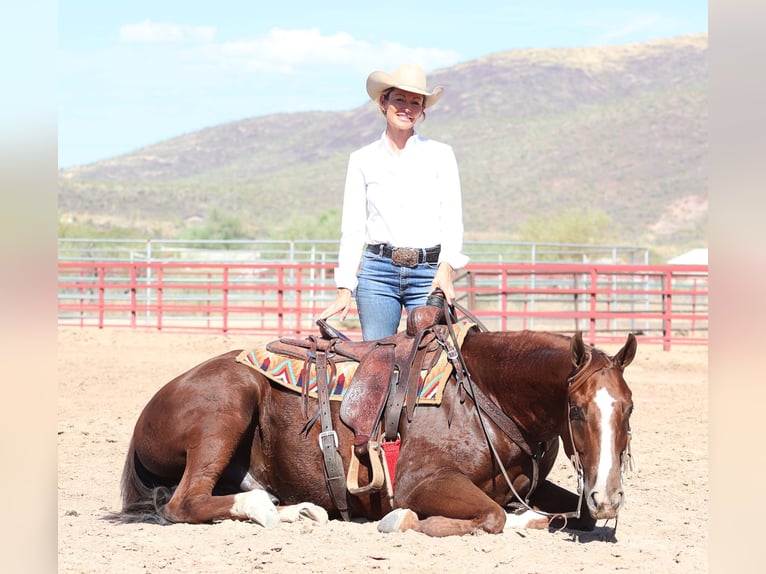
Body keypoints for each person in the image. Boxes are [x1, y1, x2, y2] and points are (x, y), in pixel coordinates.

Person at [319, 63, 469, 340]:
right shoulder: (362, 159)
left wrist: (446, 269)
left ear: (423, 109)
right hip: (377, 273)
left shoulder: (440, 155)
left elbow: (452, 217)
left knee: (435, 361)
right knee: (376, 360)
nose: (407, 108)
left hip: (428, 273)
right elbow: (352, 228)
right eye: (399, 99)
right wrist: (344, 287)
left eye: (415, 102)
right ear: (383, 103)